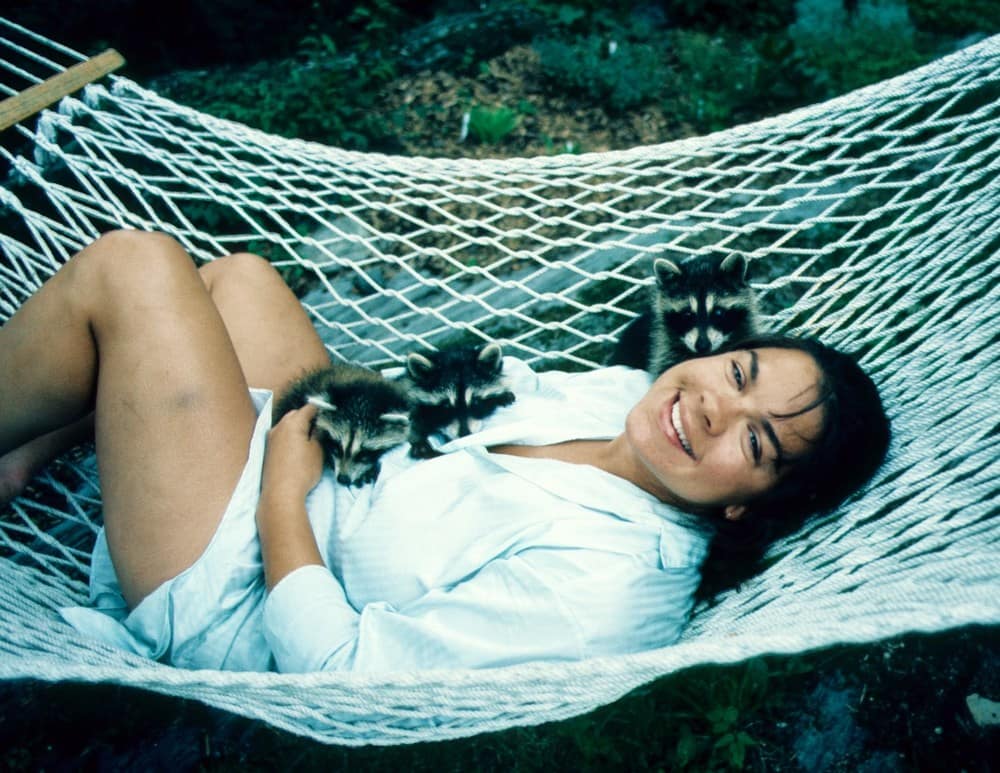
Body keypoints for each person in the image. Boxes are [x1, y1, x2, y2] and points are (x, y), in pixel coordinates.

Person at [0, 230, 890, 673]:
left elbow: (344, 672)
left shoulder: (608, 596)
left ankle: (90, 404)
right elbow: (453, 406)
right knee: (239, 278)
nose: (710, 406)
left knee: (137, 268)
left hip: (236, 592)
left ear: (749, 505)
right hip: (330, 464)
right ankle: (44, 438)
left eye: (758, 439)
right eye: (738, 371)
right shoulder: (626, 400)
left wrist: (279, 494)